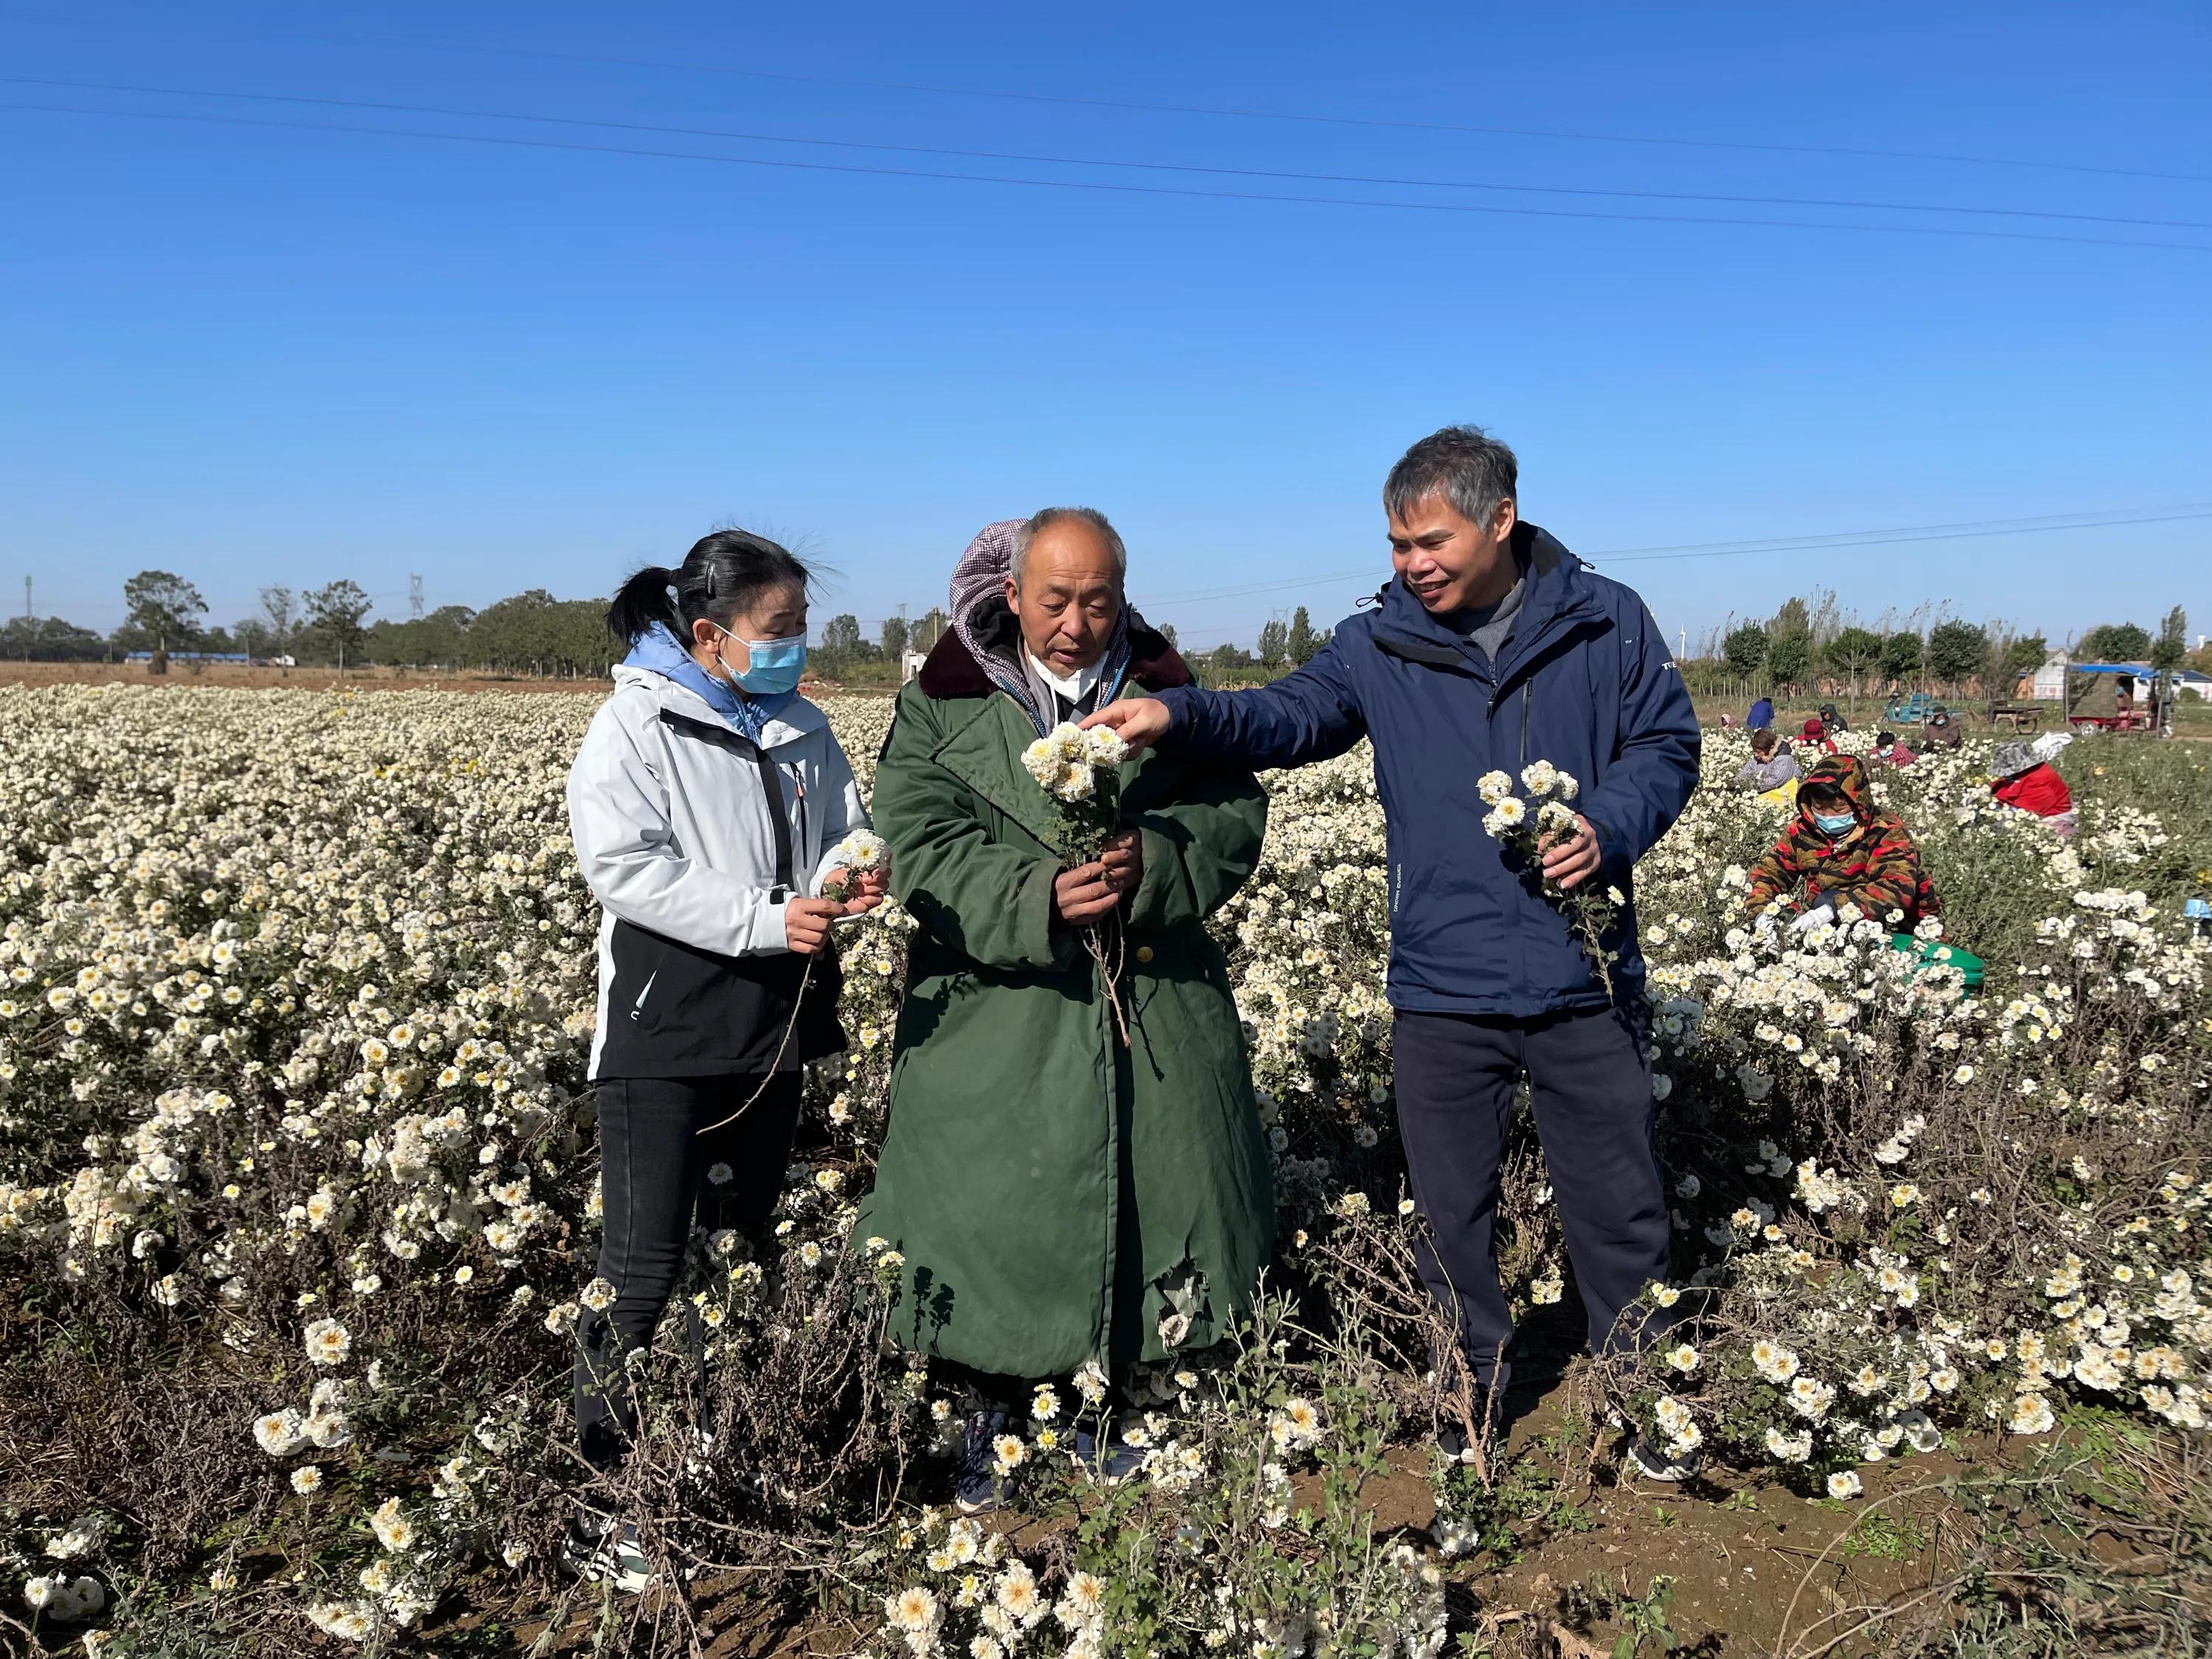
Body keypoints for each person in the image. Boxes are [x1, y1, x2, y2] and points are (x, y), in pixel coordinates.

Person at [1082, 426, 1702, 1479]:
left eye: (1429, 541)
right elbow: (1288, 714)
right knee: (1449, 1214)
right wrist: (1175, 714)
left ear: (1499, 519)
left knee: (1619, 1200)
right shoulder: (1381, 642)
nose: (1410, 563)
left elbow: (1667, 744)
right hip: (1443, 981)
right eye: (1397, 543)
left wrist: (1610, 823)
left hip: (1581, 973)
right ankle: (1468, 1405)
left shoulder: (1609, 621)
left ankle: (1641, 1395)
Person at [857, 509, 1273, 1513]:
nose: (1075, 624)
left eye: (1098, 601)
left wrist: (1154, 862)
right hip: (993, 1012)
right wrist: (1031, 895)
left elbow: (1230, 813)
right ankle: (987, 1413)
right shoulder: (942, 704)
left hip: (1151, 1002)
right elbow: (914, 833)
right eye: (1055, 601)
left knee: (1153, 1195)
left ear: (1122, 594)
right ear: (1012, 595)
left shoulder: (1171, 696)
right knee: (984, 1214)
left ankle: (1114, 1402)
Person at [564, 530, 886, 1585]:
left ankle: (712, 1450)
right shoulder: (639, 725)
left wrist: (849, 880)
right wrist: (764, 915)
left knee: (739, 1249)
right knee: (644, 1267)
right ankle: (598, 1489)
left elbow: (845, 829)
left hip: (774, 1022)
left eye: (803, 628)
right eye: (779, 630)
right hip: (663, 1031)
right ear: (710, 634)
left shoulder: (802, 726)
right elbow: (622, 866)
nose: (797, 647)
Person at [1743, 754, 1939, 933]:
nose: (1828, 816)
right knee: (1784, 921)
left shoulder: (1885, 830)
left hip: (1893, 925)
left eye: (1838, 809)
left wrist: (1831, 910)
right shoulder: (1803, 829)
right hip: (1820, 917)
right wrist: (1762, 914)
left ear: (1858, 802)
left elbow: (1895, 889)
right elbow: (1769, 873)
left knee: (1825, 903)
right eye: (1819, 807)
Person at [1991, 741, 2077, 837]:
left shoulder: (2039, 779)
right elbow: (2007, 785)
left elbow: (2029, 808)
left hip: (2054, 819)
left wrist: (1995, 797)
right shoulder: (2034, 770)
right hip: (2044, 813)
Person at [1736, 727, 1801, 793]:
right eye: (1754, 751)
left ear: (1771, 748)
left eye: (1758, 752)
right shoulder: (1757, 758)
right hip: (1762, 792)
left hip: (1783, 793)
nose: (1755, 755)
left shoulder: (1784, 759)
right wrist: (1736, 782)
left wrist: (1748, 786)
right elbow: (1747, 770)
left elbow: (1777, 781)